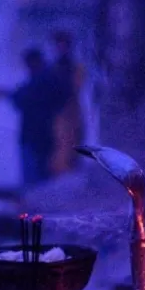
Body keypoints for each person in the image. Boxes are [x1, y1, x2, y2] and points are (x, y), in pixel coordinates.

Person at [10, 48, 67, 189]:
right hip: (47, 134)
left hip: (33, 135)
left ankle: (35, 208)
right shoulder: (52, 79)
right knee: (44, 178)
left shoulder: (37, 81)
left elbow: (19, 99)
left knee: (33, 181)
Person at [49, 30, 86, 177]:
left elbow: (75, 88)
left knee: (73, 151)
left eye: (65, 45)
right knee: (59, 153)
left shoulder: (76, 68)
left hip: (72, 115)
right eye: (59, 45)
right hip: (59, 116)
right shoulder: (52, 69)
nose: (61, 48)